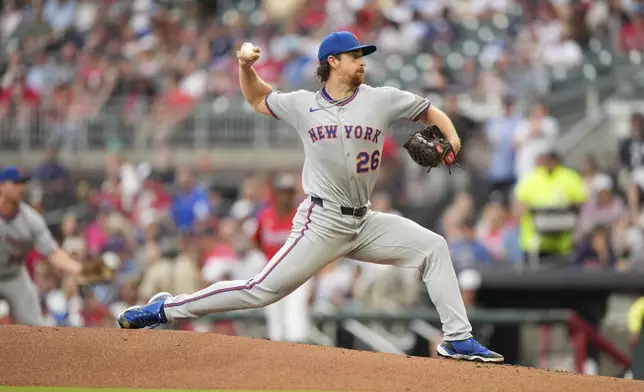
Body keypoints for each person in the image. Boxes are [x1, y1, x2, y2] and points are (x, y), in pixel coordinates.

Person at [118, 32, 503, 363]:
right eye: (355, 56)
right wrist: (245, 68)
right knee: (260, 291)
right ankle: (164, 308)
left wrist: (452, 139)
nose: (362, 62)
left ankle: (456, 338)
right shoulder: (304, 104)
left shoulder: (381, 98)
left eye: (363, 56)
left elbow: (430, 111)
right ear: (332, 61)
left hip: (364, 221)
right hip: (321, 222)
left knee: (433, 246)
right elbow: (257, 100)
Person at [0, 166, 83, 325]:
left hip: (14, 276)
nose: (21, 188)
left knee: (34, 325)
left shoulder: (31, 220)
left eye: (23, 183)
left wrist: (77, 268)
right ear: (2, 185)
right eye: (16, 183)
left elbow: (52, 252)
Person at [254, 173, 313, 343]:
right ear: (276, 193)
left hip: (298, 274)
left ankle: (298, 364)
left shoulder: (303, 216)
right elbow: (256, 241)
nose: (286, 197)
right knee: (276, 328)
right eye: (283, 192)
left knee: (296, 325)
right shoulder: (264, 216)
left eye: (289, 192)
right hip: (272, 273)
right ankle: (277, 366)